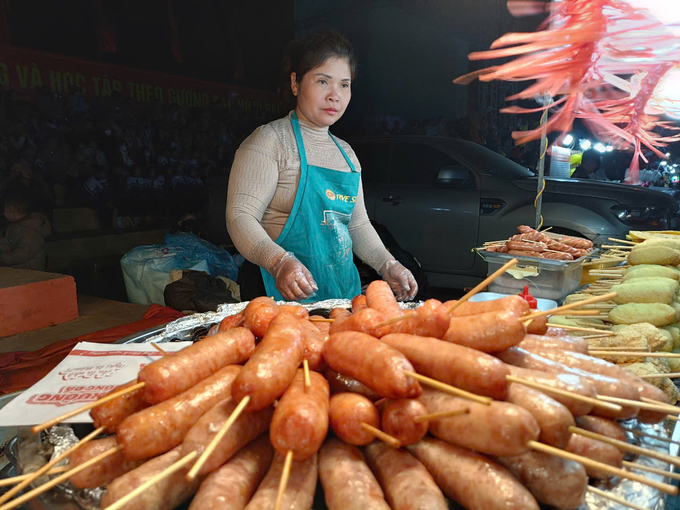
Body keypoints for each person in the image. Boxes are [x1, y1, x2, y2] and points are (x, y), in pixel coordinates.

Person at [227, 30, 418, 302]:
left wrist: (388, 264)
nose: (334, 95)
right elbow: (240, 217)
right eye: (322, 81)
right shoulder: (269, 142)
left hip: (341, 297)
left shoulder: (347, 154)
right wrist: (278, 262)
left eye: (344, 84)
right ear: (295, 83)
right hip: (280, 302)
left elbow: (357, 224)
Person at [0, 189, 51, 270]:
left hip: (30, 271)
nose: (3, 213)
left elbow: (22, 254)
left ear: (11, 210)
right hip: (18, 268)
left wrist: (3, 258)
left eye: (5, 209)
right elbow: (8, 242)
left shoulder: (31, 231)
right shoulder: (15, 225)